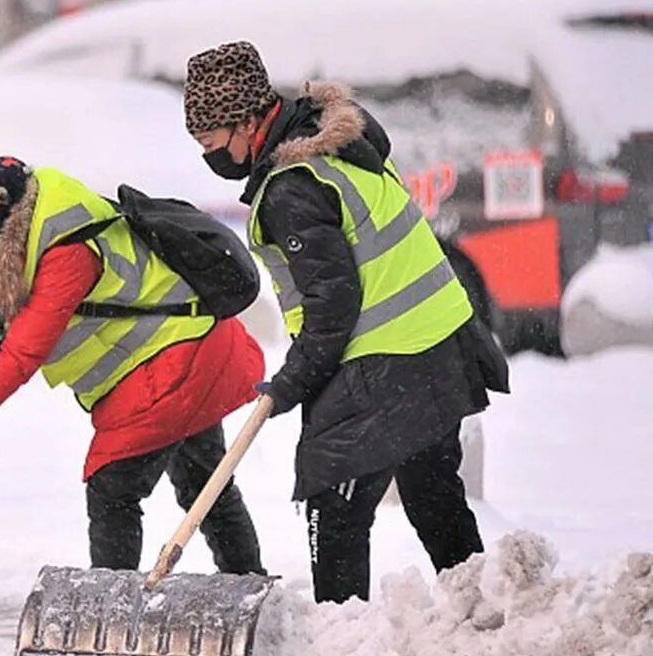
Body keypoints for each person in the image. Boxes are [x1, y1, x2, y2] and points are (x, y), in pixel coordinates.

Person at [182, 40, 508, 603]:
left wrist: (291, 382)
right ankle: (481, 622)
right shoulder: (340, 145)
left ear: (243, 121)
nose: (207, 153)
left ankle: (341, 639)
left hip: (384, 357)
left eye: (209, 140)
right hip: (441, 342)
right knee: (433, 493)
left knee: (334, 506)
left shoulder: (292, 189)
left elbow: (333, 305)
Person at [0, 156, 266, 576]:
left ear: (0, 218)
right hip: (187, 352)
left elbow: (20, 354)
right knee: (204, 482)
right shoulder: (35, 235)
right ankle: (247, 583)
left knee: (113, 490)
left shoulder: (66, 250)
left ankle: (109, 607)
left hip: (175, 362)